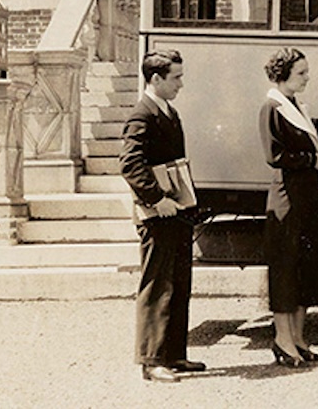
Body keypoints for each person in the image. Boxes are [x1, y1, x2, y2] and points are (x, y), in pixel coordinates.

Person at [120, 48, 204, 383]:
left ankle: (173, 355)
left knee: (178, 282)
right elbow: (130, 164)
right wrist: (156, 200)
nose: (181, 84)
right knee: (157, 284)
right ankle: (152, 360)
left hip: (176, 212)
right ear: (156, 79)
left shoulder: (167, 112)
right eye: (176, 77)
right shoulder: (142, 115)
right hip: (159, 214)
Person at [259, 47, 318, 368]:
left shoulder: (294, 106)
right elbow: (275, 155)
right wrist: (313, 159)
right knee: (286, 266)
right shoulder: (272, 107)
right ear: (284, 73)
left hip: (306, 194)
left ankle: (299, 338)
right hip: (287, 196)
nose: (307, 77)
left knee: (304, 266)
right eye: (301, 72)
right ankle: (282, 338)